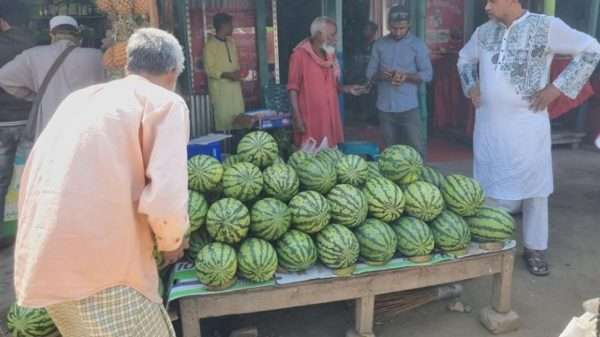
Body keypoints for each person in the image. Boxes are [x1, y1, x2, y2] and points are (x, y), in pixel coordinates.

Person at [13, 28, 190, 337]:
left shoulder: (78, 100)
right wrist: (171, 243)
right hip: (105, 271)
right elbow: (166, 197)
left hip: (43, 262)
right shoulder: (164, 102)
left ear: (127, 67)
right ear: (173, 73)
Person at [457, 0, 600, 276]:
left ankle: (535, 248)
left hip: (527, 127)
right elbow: (464, 58)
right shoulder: (483, 32)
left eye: (492, 1)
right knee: (488, 180)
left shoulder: (545, 26)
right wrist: (471, 84)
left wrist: (555, 89)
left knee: (534, 188)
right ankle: (489, 242)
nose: (486, 7)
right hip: (489, 126)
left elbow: (591, 48)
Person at [0, 15, 104, 145]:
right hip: (86, 127)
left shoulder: (33, 55)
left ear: (51, 34)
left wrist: (36, 96)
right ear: (77, 35)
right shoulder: (97, 56)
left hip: (49, 126)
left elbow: (4, 77)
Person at [366, 6, 433, 156]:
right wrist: (383, 76)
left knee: (416, 149)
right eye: (394, 28)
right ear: (389, 25)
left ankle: (421, 177)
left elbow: (428, 74)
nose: (397, 32)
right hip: (385, 108)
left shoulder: (418, 45)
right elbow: (370, 74)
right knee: (390, 152)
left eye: (402, 28)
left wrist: (406, 76)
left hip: (408, 107)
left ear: (409, 25)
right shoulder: (380, 45)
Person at [288, 16, 361, 148]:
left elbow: (334, 85)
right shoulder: (299, 55)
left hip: (330, 117)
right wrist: (297, 118)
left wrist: (347, 88)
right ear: (318, 35)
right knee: (310, 160)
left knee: (329, 160)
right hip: (310, 119)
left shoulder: (330, 55)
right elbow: (293, 88)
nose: (335, 39)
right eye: (332, 35)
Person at [0, 1, 35, 249]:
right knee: (30, 177)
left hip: (2, 121)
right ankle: (30, 232)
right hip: (27, 117)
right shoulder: (32, 44)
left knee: (2, 179)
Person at [203, 13, 245, 131]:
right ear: (223, 25)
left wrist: (237, 74)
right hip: (221, 93)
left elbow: (235, 64)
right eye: (230, 25)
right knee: (224, 124)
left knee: (239, 121)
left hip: (235, 91)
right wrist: (227, 74)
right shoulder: (210, 45)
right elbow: (209, 70)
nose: (233, 27)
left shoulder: (231, 43)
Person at [348, 21, 378, 124]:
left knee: (371, 101)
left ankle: (370, 120)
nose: (364, 31)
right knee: (360, 100)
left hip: (372, 78)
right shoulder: (360, 45)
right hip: (359, 77)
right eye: (364, 29)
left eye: (367, 29)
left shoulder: (377, 46)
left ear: (373, 32)